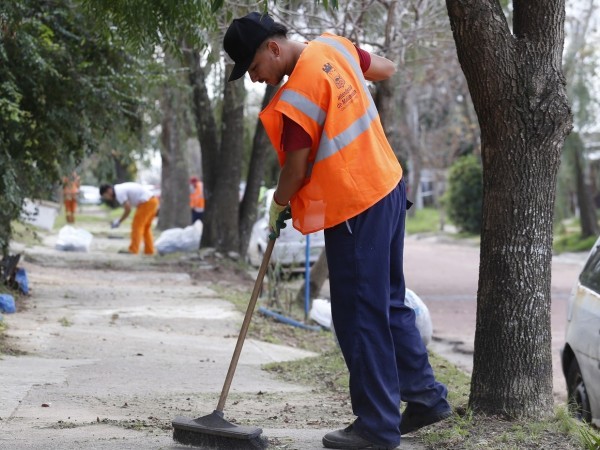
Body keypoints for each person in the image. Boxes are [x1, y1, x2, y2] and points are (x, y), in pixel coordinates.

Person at [224, 12, 451, 450]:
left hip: (354, 206)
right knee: (387, 301)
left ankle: (377, 427)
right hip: (386, 186)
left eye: (253, 69)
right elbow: (385, 68)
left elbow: (295, 169)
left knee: (359, 315)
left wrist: (276, 206)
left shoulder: (295, 97)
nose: (255, 81)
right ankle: (425, 398)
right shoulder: (333, 47)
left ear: (273, 48)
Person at [99, 182, 159, 255]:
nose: (108, 199)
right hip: (153, 200)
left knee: (137, 226)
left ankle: (133, 250)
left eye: (106, 196)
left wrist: (119, 221)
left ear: (109, 191)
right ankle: (149, 250)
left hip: (146, 202)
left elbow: (128, 209)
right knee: (146, 228)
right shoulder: (119, 188)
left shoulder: (119, 192)